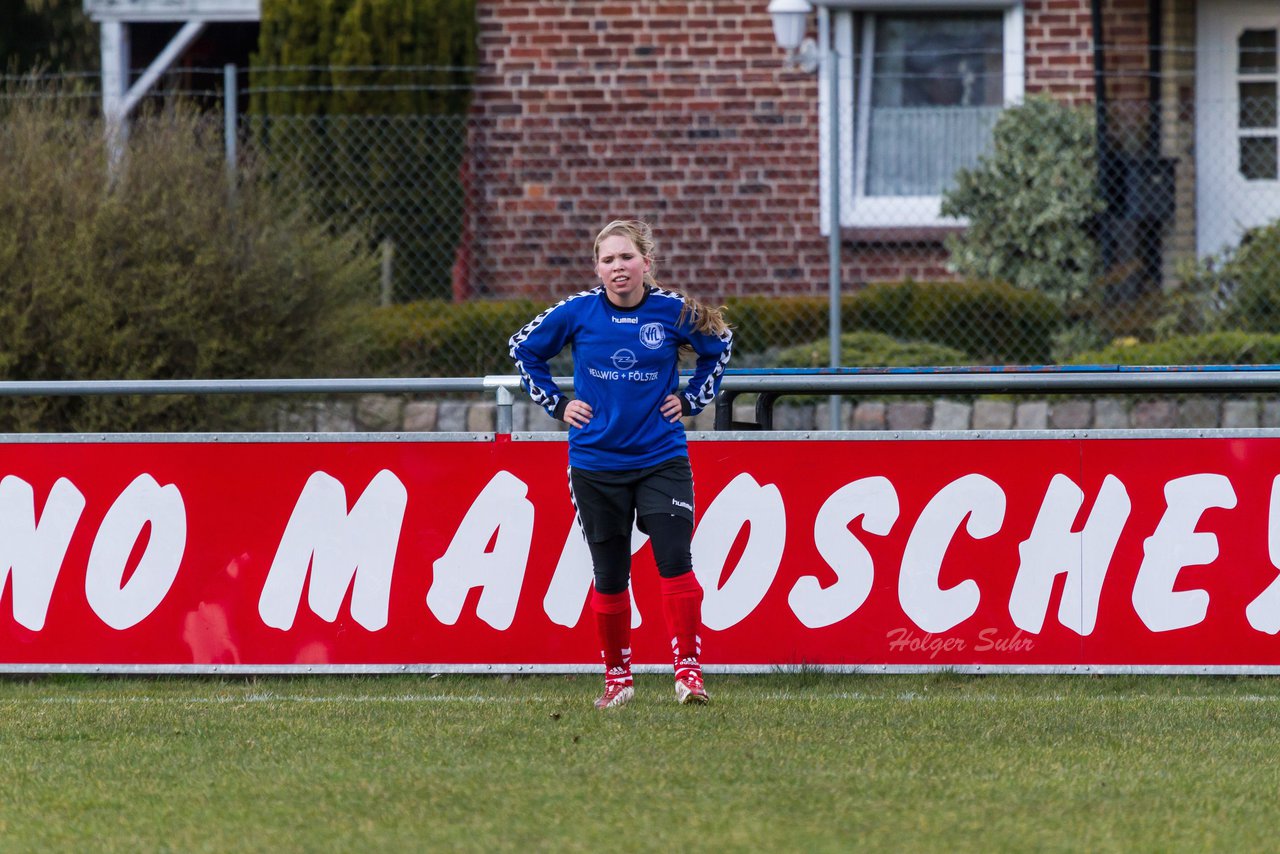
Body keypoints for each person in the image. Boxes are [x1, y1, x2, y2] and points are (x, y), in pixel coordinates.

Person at [508, 219, 734, 709]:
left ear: (646, 264)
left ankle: (689, 673)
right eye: (608, 259)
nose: (618, 267)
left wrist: (694, 399)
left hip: (661, 457)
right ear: (597, 268)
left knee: (675, 560)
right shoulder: (577, 312)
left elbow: (721, 347)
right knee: (609, 573)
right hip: (595, 462)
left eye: (626, 257)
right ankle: (617, 679)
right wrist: (556, 403)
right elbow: (523, 349)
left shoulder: (675, 311)